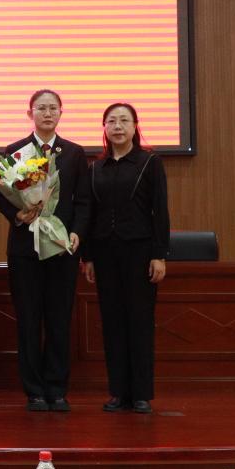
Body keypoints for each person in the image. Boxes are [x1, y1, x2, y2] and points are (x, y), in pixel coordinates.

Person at [0, 89, 90, 413]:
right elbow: (1, 196)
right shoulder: (14, 151)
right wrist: (17, 215)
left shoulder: (74, 153)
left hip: (62, 248)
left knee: (59, 319)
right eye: (41, 108)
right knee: (28, 319)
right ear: (30, 113)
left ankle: (57, 388)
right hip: (25, 249)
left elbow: (83, 200)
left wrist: (77, 232)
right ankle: (34, 390)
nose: (47, 113)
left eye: (53, 108)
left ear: (61, 113)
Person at [82, 103, 169, 414]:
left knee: (140, 321)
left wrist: (159, 254)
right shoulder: (96, 168)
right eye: (111, 121)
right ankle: (118, 392)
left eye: (124, 121)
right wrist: (88, 256)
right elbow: (90, 215)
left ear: (135, 126)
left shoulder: (150, 162)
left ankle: (141, 393)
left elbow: (160, 210)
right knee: (113, 323)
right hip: (105, 253)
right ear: (104, 128)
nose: (117, 126)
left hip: (140, 252)